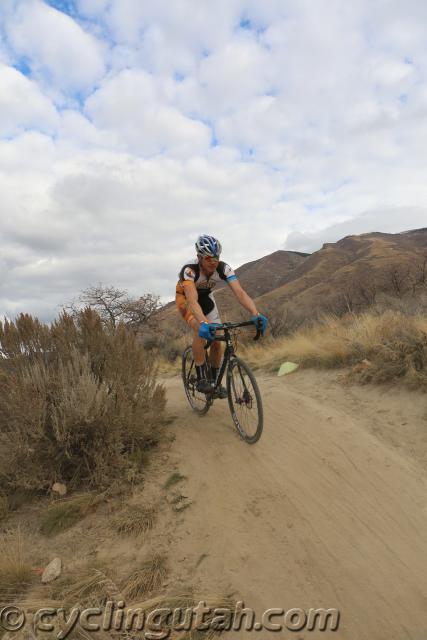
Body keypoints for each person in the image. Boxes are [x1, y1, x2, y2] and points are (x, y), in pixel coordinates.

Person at [176, 234, 268, 396]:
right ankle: (202, 377)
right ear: (199, 257)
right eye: (209, 258)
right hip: (187, 299)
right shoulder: (190, 270)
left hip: (206, 298)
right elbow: (192, 299)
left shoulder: (223, 268)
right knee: (200, 329)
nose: (214, 262)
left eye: (216, 257)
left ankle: (214, 380)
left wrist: (256, 313)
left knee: (217, 339)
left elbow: (239, 292)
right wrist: (204, 323)